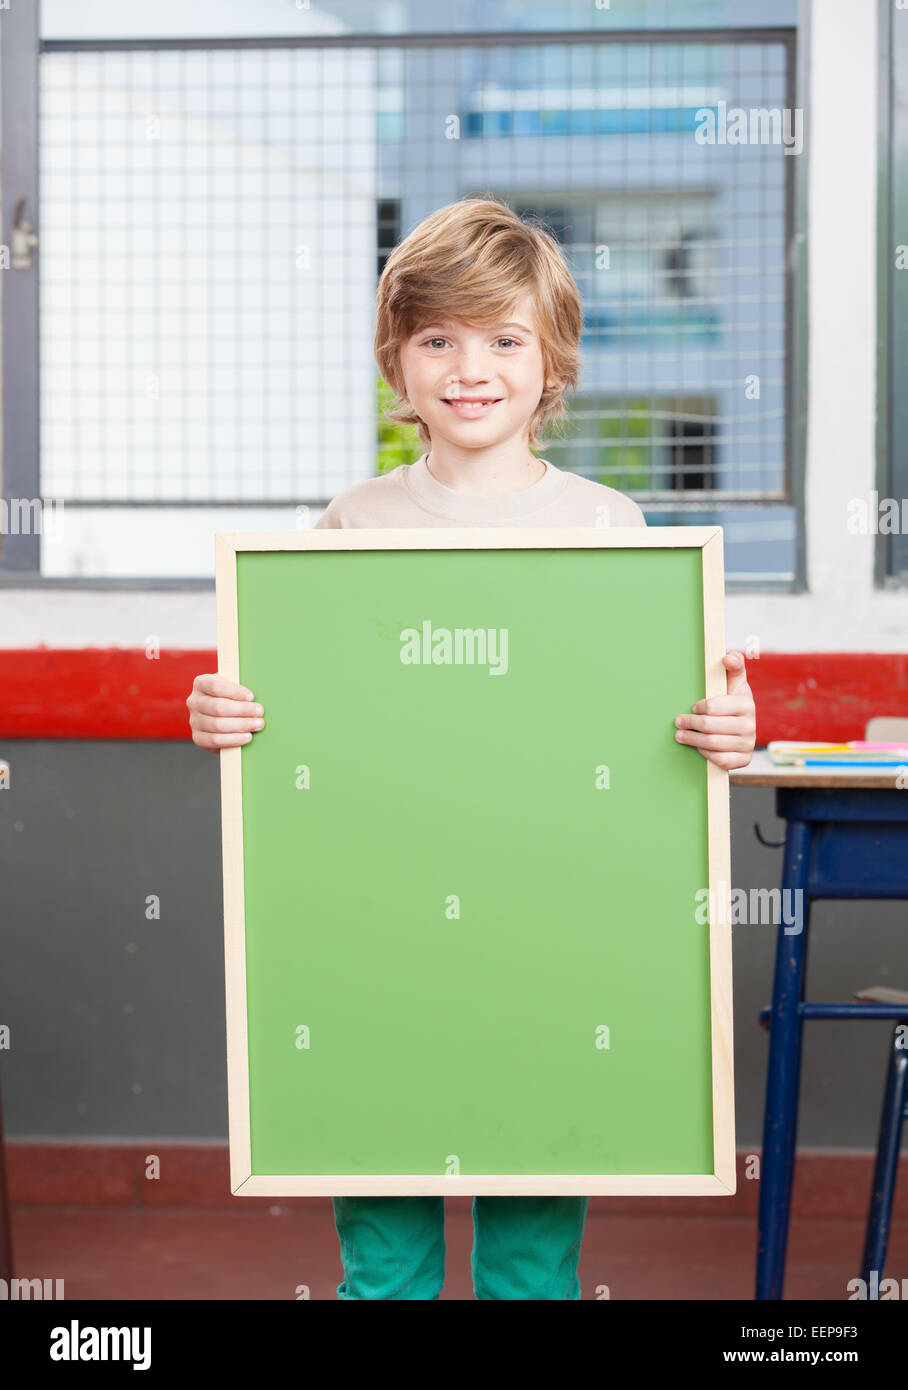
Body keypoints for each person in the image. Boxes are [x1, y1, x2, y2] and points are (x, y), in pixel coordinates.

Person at [187, 196, 756, 1299]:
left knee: (532, 1264)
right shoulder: (346, 526)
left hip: (549, 944)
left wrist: (724, 733)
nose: (468, 367)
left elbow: (668, 735)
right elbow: (287, 724)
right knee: (384, 1257)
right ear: (395, 366)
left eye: (503, 339)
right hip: (382, 941)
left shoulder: (613, 533)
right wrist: (222, 711)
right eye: (436, 339)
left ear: (552, 364)